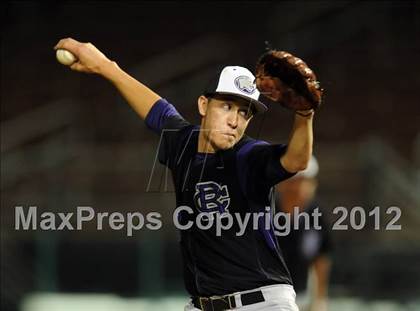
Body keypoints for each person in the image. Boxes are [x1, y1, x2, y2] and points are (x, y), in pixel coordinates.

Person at [54, 38, 316, 311]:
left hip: (259, 303)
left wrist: (305, 113)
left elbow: (296, 160)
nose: (234, 120)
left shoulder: (248, 155)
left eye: (244, 112)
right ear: (204, 105)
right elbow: (156, 110)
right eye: (226, 106)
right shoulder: (182, 142)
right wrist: (105, 67)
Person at [276, 156, 332, 311]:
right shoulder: (265, 212)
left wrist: (320, 298)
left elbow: (321, 257)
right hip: (271, 294)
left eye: (304, 181)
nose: (298, 187)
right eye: (293, 181)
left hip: (301, 293)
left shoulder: (317, 215)